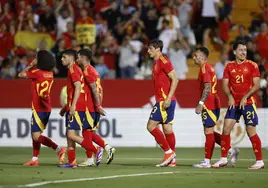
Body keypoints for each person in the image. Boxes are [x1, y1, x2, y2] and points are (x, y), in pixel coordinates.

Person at [212, 40, 265, 170]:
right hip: (234, 103)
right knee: (226, 128)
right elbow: (224, 84)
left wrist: (245, 97)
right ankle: (224, 158)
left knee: (250, 131)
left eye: (245, 50)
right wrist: (230, 96)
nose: (243, 52)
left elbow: (256, 85)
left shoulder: (253, 65)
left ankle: (259, 161)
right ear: (235, 51)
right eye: (241, 50)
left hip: (248, 103)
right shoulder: (229, 66)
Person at [191, 47, 239, 168]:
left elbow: (207, 87)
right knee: (209, 131)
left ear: (202, 56)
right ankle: (229, 149)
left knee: (208, 131)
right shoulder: (208, 67)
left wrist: (201, 103)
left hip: (209, 103)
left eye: (196, 55)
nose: (194, 58)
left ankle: (207, 161)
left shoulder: (204, 69)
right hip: (213, 101)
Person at [18, 50, 66, 166]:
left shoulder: (37, 72)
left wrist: (30, 64)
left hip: (39, 108)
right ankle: (35, 159)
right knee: (35, 135)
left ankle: (59, 149)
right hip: (46, 107)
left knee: (35, 135)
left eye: (37, 58)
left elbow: (20, 75)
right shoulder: (50, 74)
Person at [59, 49, 102, 168]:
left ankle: (95, 149)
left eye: (64, 57)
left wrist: (72, 106)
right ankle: (71, 162)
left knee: (71, 134)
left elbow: (78, 87)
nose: (61, 59)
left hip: (77, 107)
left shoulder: (73, 69)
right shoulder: (76, 69)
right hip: (75, 106)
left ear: (71, 58)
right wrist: (65, 108)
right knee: (69, 136)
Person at [77, 48, 116, 167]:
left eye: (78, 57)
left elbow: (94, 89)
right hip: (94, 106)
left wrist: (97, 105)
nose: (77, 59)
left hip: (91, 107)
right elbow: (101, 90)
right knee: (88, 132)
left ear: (83, 58)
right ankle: (107, 148)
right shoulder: (93, 70)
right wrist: (99, 104)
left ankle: (90, 159)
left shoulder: (87, 71)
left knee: (86, 132)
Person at [147, 39, 178, 167]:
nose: (148, 51)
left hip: (165, 100)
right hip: (165, 99)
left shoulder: (164, 61)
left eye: (150, 49)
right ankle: (172, 159)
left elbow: (175, 80)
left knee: (151, 126)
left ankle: (168, 152)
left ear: (158, 49)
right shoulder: (155, 63)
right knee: (167, 128)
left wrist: (168, 98)